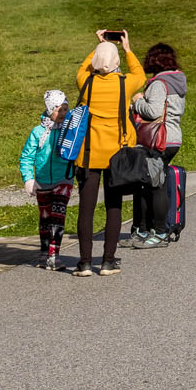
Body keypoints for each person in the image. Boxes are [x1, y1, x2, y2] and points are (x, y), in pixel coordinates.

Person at [71, 31, 148, 275]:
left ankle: (84, 262)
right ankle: (107, 260)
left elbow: (83, 68)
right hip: (117, 154)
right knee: (113, 207)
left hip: (89, 153)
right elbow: (141, 75)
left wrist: (98, 46)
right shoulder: (126, 83)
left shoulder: (86, 82)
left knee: (86, 208)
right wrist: (126, 48)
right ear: (116, 63)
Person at [129, 42, 187, 245]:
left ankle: (159, 232)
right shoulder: (177, 82)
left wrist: (137, 101)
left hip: (158, 139)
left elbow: (153, 111)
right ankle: (146, 229)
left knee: (156, 185)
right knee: (153, 183)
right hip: (173, 137)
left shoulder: (158, 84)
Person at [18, 89, 73, 269]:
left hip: (63, 179)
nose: (63, 113)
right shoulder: (38, 132)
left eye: (66, 109)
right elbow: (26, 157)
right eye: (59, 110)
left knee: (58, 216)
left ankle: (54, 255)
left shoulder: (69, 130)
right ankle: (44, 253)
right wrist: (28, 179)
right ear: (50, 111)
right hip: (42, 180)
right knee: (45, 217)